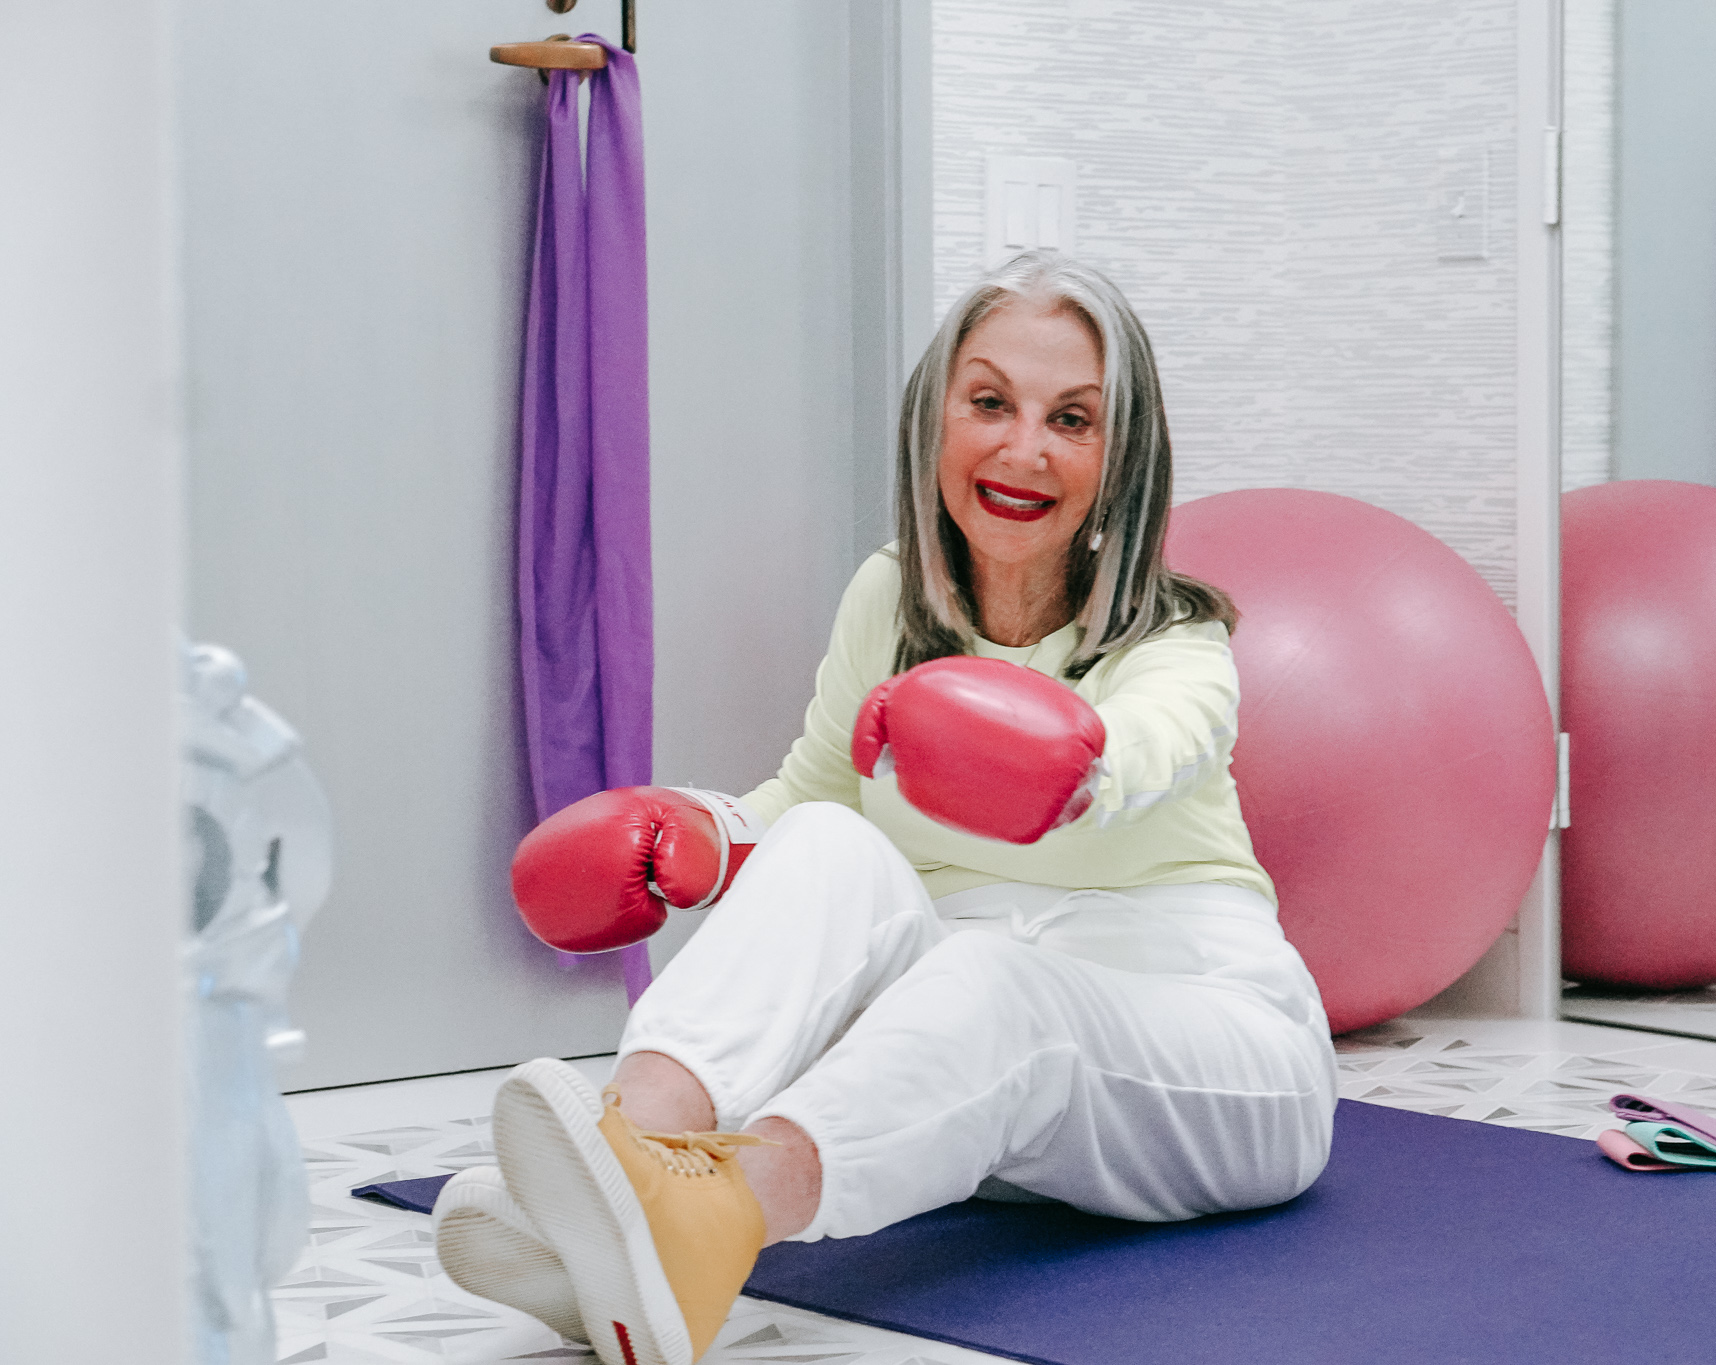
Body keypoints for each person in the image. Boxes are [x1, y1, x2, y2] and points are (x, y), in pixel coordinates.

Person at [434, 251, 1336, 1365]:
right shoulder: (891, 596)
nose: (1021, 449)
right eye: (990, 403)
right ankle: (629, 1160)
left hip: (1205, 1052)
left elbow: (1147, 750)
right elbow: (811, 794)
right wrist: (703, 837)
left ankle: (709, 1221)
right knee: (829, 844)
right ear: (935, 420)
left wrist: (1063, 763)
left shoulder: (1177, 639)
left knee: (997, 977)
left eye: (1071, 419)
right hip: (959, 1088)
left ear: (1121, 460)